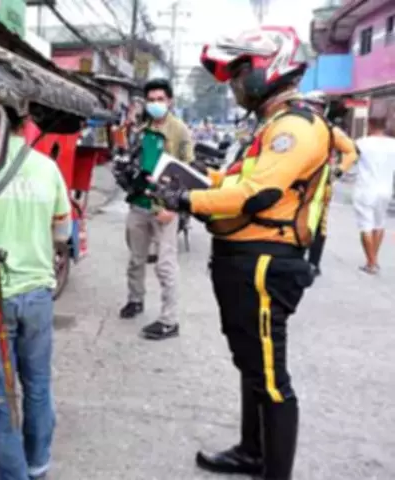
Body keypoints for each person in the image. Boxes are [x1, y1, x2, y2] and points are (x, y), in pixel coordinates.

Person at [149, 26, 331, 479]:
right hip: (244, 257)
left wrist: (186, 200)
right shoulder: (269, 125)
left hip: (266, 261)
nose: (233, 84)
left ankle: (273, 471)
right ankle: (253, 451)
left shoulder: (297, 126)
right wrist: (180, 178)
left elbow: (255, 194)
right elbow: (230, 182)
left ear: (270, 64)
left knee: (270, 378)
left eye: (239, 72)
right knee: (251, 364)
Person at [0, 107, 71, 480]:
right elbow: (63, 234)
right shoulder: (47, 168)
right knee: (38, 386)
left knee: (1, 393)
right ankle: (37, 468)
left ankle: (12, 476)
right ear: (22, 125)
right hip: (38, 294)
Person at [120, 78, 193, 341]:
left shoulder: (180, 131)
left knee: (165, 265)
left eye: (160, 99)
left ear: (170, 101)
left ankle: (169, 320)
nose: (155, 104)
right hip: (139, 204)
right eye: (151, 100)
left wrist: (174, 207)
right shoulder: (141, 130)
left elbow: (188, 172)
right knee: (136, 258)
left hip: (164, 208)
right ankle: (135, 300)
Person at [302, 90, 359, 276]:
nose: (311, 109)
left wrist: (339, 170)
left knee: (319, 223)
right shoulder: (296, 125)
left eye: (315, 105)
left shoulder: (330, 130)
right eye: (308, 104)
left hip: (320, 185)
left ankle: (313, 263)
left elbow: (351, 151)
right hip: (296, 181)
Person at [352, 116, 395, 274]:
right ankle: (373, 259)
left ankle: (371, 263)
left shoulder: (362, 143)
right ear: (386, 124)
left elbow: (351, 160)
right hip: (386, 190)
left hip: (366, 189)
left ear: (369, 125)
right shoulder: (393, 144)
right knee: (379, 223)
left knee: (366, 225)